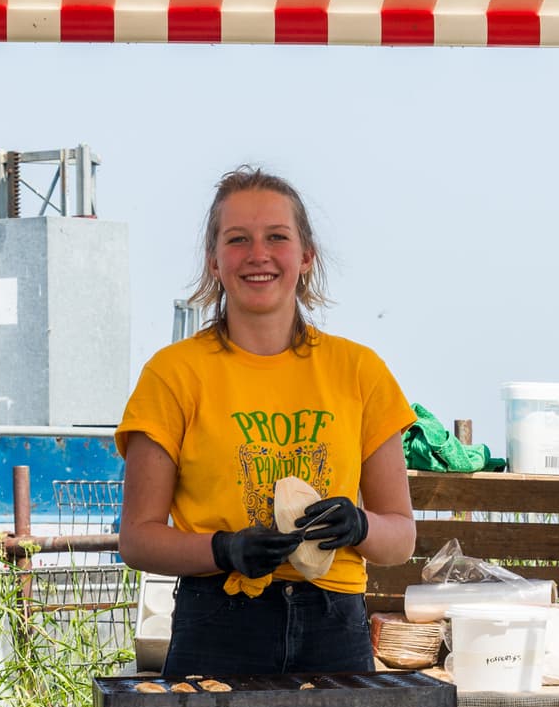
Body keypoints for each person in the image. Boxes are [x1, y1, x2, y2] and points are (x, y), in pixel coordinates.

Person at [116, 167, 417, 676]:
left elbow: (401, 538)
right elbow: (138, 539)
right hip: (217, 621)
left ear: (306, 256)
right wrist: (225, 548)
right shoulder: (172, 375)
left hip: (334, 626)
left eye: (277, 237)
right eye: (238, 240)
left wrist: (359, 524)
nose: (259, 255)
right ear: (214, 261)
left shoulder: (359, 370)